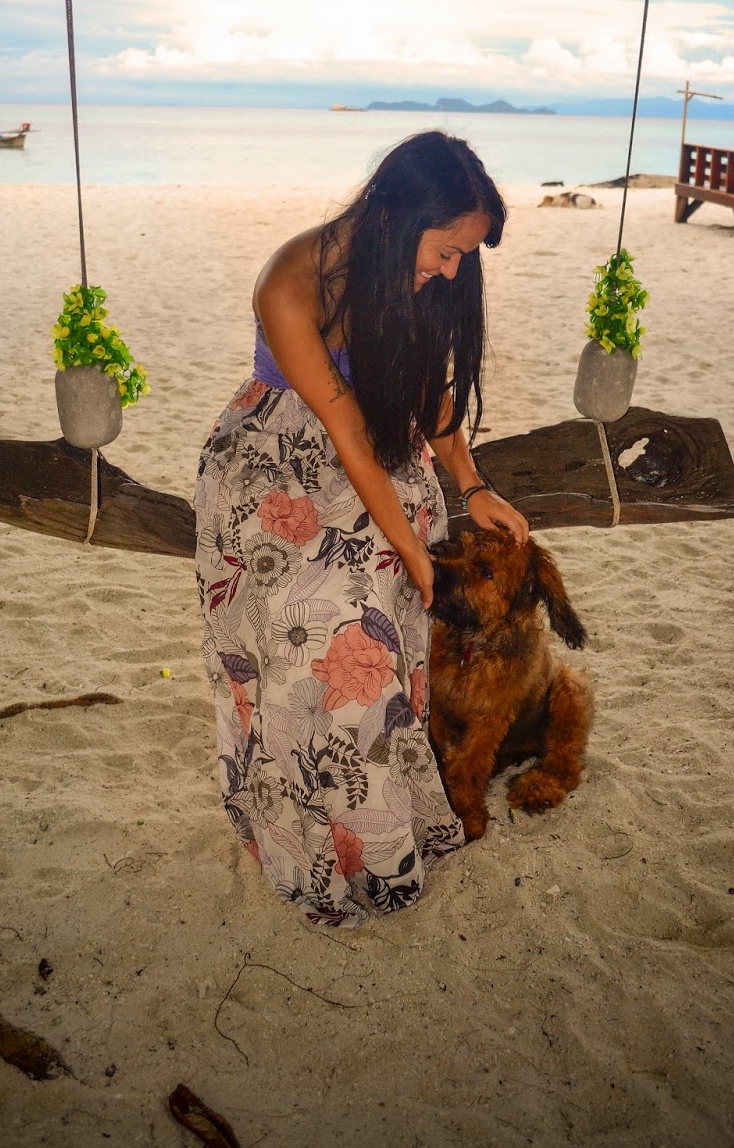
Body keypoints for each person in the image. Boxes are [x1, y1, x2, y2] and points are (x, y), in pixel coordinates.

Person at [194, 131, 529, 926]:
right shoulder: (290, 282)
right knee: (311, 618)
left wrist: (471, 482)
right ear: (399, 215)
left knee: (363, 624)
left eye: (462, 258)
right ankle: (306, 825)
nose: (453, 271)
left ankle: (376, 827)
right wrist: (412, 549)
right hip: (278, 459)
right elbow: (343, 432)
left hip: (376, 452)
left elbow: (427, 392)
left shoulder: (410, 272)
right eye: (447, 250)